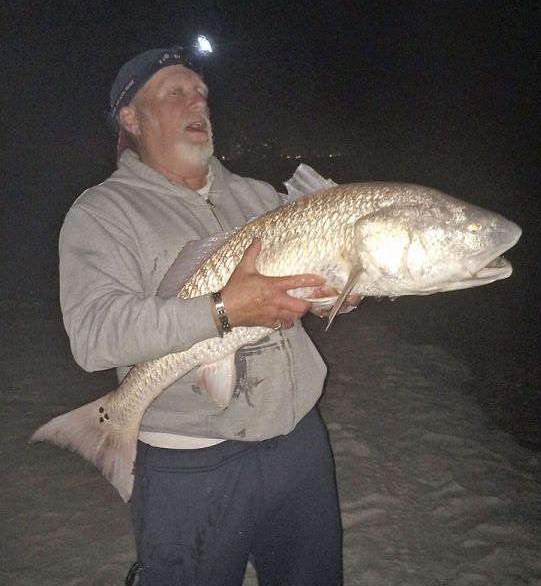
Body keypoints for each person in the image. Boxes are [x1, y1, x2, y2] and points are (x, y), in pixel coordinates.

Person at [59, 46, 358, 585]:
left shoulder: (261, 196)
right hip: (187, 464)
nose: (197, 100)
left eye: (200, 92)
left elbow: (293, 296)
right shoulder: (103, 212)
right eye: (175, 92)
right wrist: (221, 309)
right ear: (130, 117)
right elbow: (94, 334)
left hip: (298, 445)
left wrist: (336, 291)